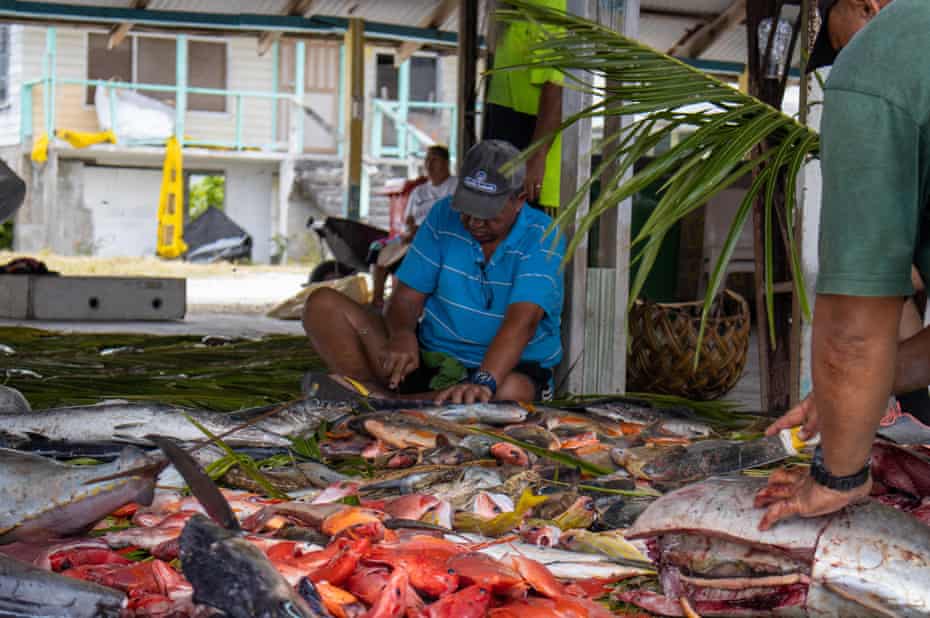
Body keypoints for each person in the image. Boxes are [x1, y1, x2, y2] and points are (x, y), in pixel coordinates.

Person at [755, 0, 930, 530]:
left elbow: (855, 326)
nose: (839, 63)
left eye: (836, 41)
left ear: (866, 5)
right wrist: (850, 397)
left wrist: (838, 477)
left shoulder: (881, 57)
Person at [302, 139, 565, 404]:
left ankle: (383, 404)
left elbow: (523, 322)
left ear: (519, 200)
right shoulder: (443, 215)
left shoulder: (543, 235)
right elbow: (406, 297)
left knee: (510, 392)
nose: (474, 222)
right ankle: (378, 396)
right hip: (434, 362)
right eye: (468, 209)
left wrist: (484, 381)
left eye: (488, 214)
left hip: (504, 372)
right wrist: (402, 334)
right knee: (322, 305)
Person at [483, 0, 564, 209]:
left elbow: (557, 84)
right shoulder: (508, 10)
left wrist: (537, 156)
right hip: (506, 160)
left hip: (533, 170)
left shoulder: (553, 3)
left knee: (533, 237)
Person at [370, 145, 456, 309]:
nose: (429, 165)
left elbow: (455, 218)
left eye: (434, 160)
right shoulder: (419, 191)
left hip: (440, 237)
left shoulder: (455, 187)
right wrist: (409, 230)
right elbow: (408, 219)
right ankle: (378, 301)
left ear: (445, 163)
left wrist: (423, 231)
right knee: (377, 250)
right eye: (427, 160)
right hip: (414, 237)